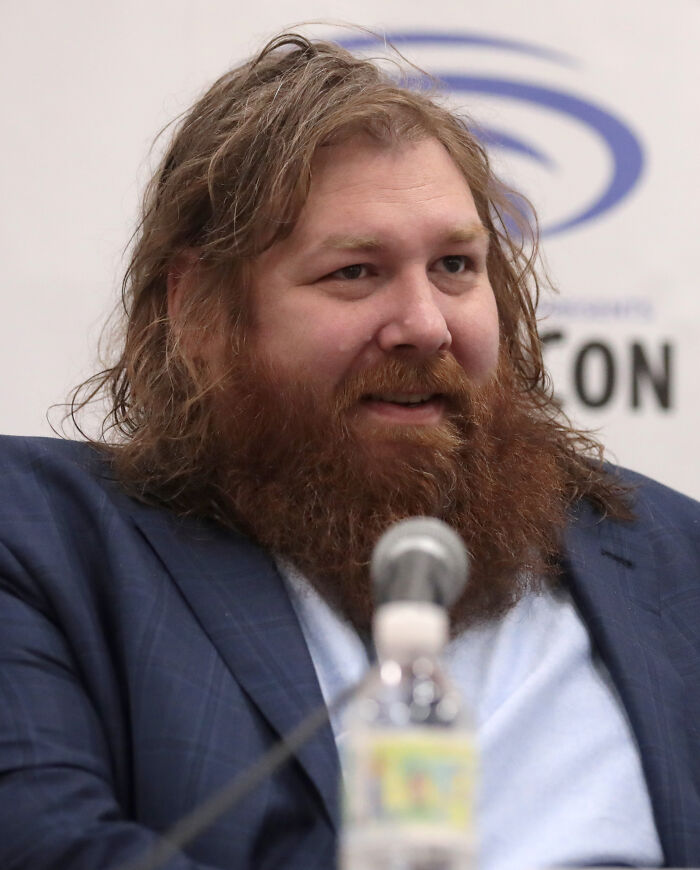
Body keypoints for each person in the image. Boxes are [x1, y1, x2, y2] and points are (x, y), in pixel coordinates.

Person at [0, 31, 698, 870]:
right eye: (356, 272)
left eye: (455, 265)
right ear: (199, 311)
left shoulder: (678, 566)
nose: (425, 325)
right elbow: (47, 844)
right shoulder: (46, 547)